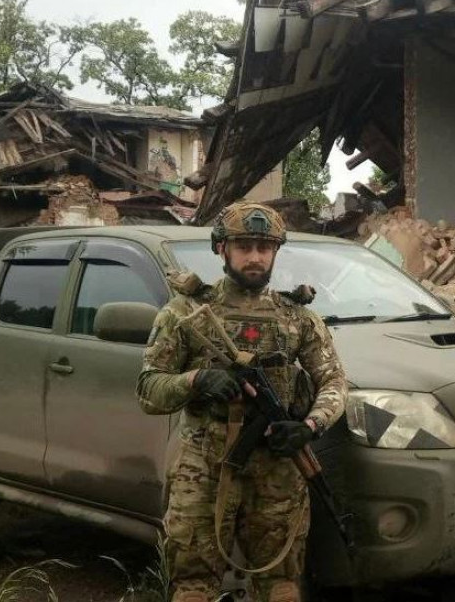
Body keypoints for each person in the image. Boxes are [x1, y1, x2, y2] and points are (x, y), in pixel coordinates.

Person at [136, 201, 348, 602]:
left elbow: (333, 380)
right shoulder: (187, 311)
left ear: (275, 253)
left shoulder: (298, 318)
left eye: (264, 248)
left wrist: (309, 426)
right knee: (192, 588)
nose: (255, 257)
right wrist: (197, 380)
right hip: (203, 466)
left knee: (282, 587)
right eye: (244, 246)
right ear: (221, 249)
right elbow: (148, 389)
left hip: (277, 470)